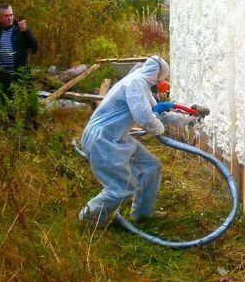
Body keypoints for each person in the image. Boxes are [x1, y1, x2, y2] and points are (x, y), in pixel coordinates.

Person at [78, 56, 196, 228]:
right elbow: (145, 118)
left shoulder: (142, 86)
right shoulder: (135, 83)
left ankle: (143, 214)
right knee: (122, 188)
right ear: (157, 75)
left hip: (117, 137)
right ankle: (88, 217)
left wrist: (187, 120)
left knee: (151, 167)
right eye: (162, 79)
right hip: (102, 140)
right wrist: (159, 129)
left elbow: (158, 114)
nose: (162, 83)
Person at [0, 3, 39, 96]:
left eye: (11, 15)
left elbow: (35, 48)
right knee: (4, 105)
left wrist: (26, 32)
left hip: (21, 76)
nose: (10, 18)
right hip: (2, 77)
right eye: (6, 16)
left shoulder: (20, 31)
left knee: (27, 105)